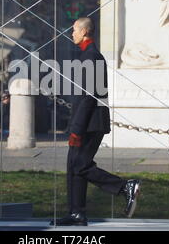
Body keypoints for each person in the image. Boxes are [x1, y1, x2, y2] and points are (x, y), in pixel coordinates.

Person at [50, 17, 141, 226]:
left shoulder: (91, 58)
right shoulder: (88, 56)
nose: (71, 34)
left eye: (74, 30)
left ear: (84, 32)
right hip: (86, 122)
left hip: (90, 124)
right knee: (74, 166)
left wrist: (76, 129)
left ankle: (125, 187)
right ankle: (76, 213)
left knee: (80, 165)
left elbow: (89, 97)